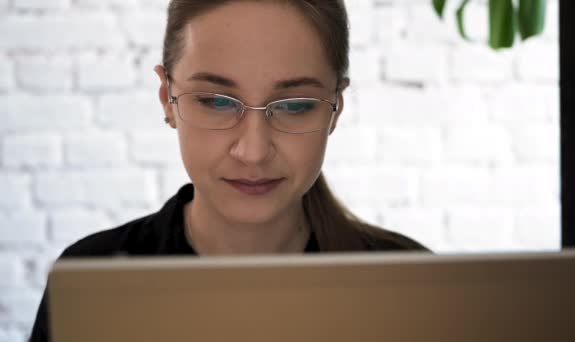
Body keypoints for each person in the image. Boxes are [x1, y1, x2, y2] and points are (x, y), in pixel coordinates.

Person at [29, 0, 428, 340]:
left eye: (294, 105)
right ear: (167, 98)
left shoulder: (416, 289)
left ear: (335, 108)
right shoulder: (91, 285)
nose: (252, 152)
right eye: (216, 102)